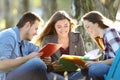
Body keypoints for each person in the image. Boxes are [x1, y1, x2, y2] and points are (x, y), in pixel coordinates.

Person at [36, 10, 85, 80]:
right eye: (59, 27)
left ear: (70, 25)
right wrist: (50, 65)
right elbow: (42, 65)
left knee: (89, 71)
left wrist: (82, 64)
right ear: (54, 27)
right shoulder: (47, 40)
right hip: (55, 74)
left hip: (74, 74)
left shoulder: (77, 37)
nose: (63, 29)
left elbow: (82, 57)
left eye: (66, 26)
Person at [71, 11, 120, 80]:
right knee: (80, 74)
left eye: (88, 27)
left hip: (114, 69)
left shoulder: (110, 32)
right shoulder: (103, 37)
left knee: (94, 69)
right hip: (109, 67)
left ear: (96, 24)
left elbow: (118, 57)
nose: (87, 31)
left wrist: (97, 63)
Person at [0, 12, 48, 80]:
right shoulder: (8, 36)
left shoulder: (24, 42)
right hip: (5, 77)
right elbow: (1, 64)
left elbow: (39, 51)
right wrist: (28, 58)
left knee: (54, 76)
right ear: (28, 25)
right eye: (36, 29)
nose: (36, 33)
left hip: (17, 75)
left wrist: (47, 58)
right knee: (37, 63)